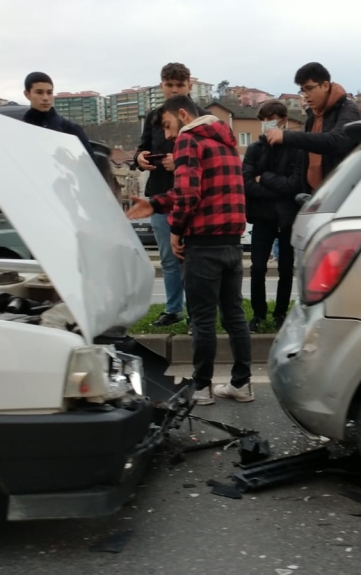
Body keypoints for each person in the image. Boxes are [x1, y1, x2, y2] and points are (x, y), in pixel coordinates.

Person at [125, 96, 251, 405]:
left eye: (168, 126)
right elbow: (201, 190)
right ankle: (242, 383)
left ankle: (202, 387)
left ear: (183, 114)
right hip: (232, 242)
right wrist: (154, 203)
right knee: (234, 315)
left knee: (202, 318)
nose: (168, 136)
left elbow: (188, 193)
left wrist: (176, 230)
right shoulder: (226, 141)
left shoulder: (188, 139)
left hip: (203, 244)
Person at [135, 63, 209, 327]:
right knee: (168, 258)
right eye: (169, 85)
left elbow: (210, 158)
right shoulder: (153, 117)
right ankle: (173, 308)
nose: (174, 90)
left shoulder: (204, 117)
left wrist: (179, 162)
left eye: (180, 85)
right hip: (160, 196)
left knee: (193, 259)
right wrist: (139, 157)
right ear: (161, 86)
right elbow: (142, 148)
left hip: (195, 198)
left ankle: (196, 312)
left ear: (190, 86)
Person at [242, 101, 302, 332]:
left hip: (287, 218)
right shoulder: (254, 149)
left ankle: (280, 313)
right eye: (264, 119)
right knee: (257, 268)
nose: (268, 124)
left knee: (286, 269)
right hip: (261, 217)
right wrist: (278, 189)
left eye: (273, 119)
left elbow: (294, 185)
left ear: (283, 121)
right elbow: (247, 183)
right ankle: (258, 314)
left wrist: (264, 178)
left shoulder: (295, 148)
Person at [264, 62, 361, 194]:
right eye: (302, 90)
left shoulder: (347, 110)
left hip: (341, 194)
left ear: (325, 86)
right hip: (315, 195)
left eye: (309, 88)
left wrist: (286, 136)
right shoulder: (313, 117)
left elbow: (337, 141)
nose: (305, 95)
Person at [22, 72, 91, 153]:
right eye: (39, 92)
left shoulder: (70, 129)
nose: (45, 98)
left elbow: (89, 160)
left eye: (49, 93)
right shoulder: (21, 129)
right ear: (27, 94)